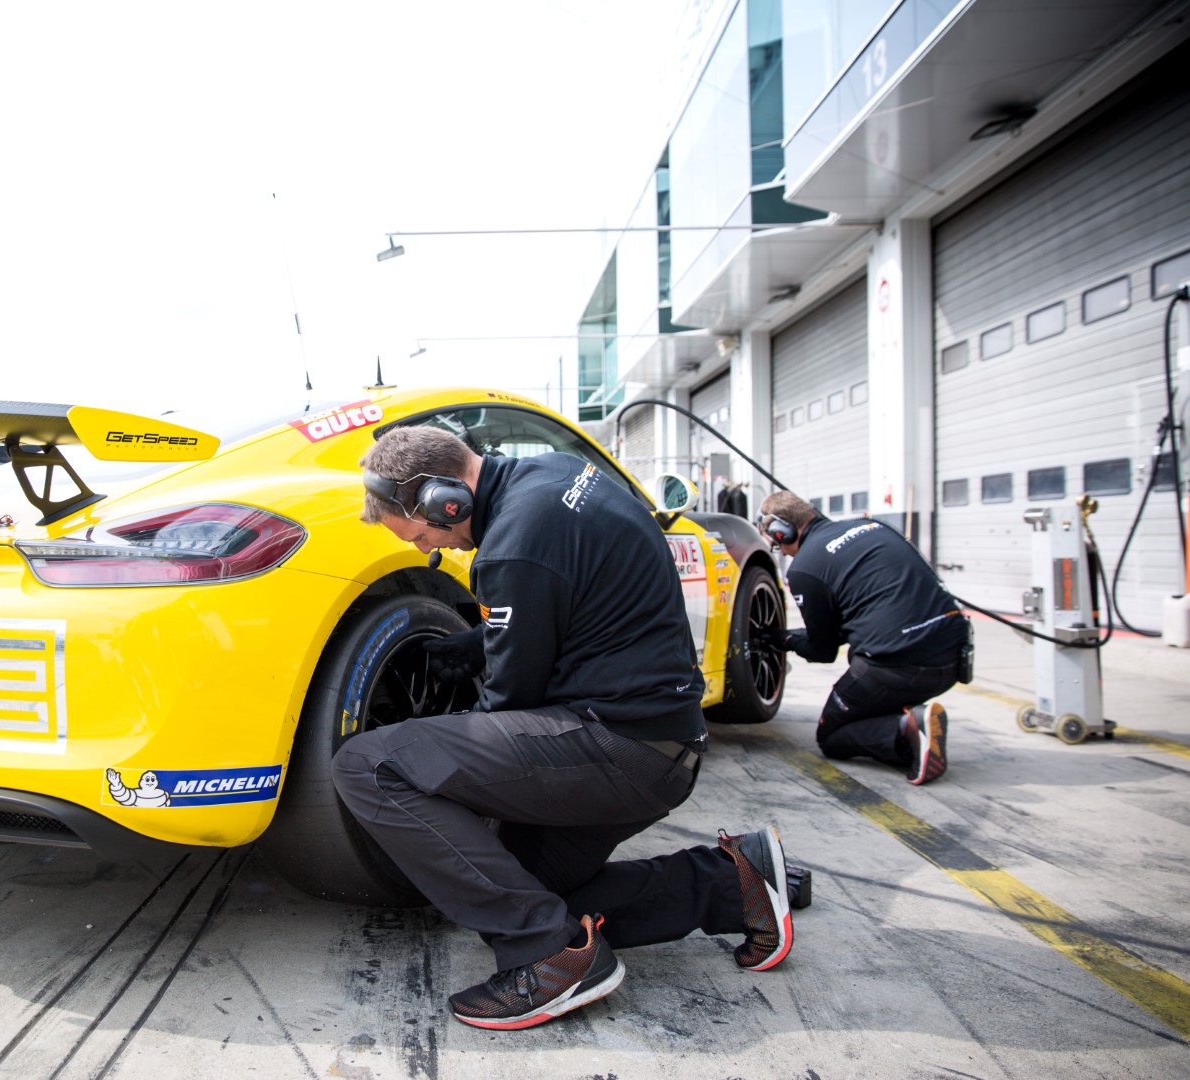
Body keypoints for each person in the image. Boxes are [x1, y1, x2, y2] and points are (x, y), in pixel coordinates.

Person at [332, 426, 793, 1031]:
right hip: (664, 743)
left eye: (423, 534)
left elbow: (508, 703)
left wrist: (438, 745)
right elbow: (579, 602)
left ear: (447, 498)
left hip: (619, 750)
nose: (427, 551)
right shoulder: (554, 475)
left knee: (370, 765)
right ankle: (731, 883)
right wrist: (482, 641)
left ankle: (548, 960)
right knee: (518, 894)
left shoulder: (514, 546)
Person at [756, 491, 968, 786]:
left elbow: (822, 649)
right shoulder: (873, 526)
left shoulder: (805, 568)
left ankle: (906, 728)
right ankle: (910, 719)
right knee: (875, 694)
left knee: (831, 736)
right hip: (952, 657)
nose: (781, 548)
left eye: (778, 541)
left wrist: (784, 640)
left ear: (782, 531)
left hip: (894, 667)